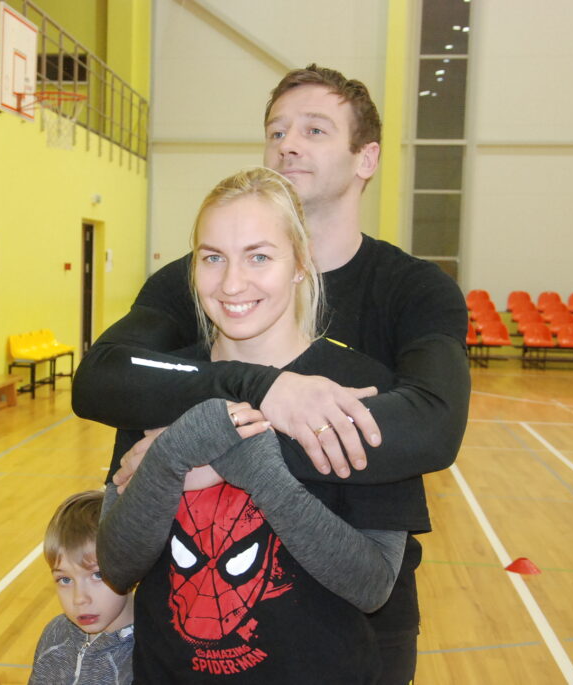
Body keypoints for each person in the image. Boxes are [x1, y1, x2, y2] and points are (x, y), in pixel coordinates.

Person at [73, 65, 471, 684]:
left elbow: (432, 426)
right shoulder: (194, 285)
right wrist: (265, 391)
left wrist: (216, 449)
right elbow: (105, 375)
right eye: (276, 131)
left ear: (366, 158)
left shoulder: (413, 290)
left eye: (315, 130)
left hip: (356, 627)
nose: (288, 145)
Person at [98, 167, 424, 683]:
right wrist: (173, 455)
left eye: (259, 257)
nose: (232, 283)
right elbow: (117, 565)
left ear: (301, 262)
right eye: (213, 258)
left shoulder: (362, 387)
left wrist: (252, 464)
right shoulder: (164, 384)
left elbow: (373, 585)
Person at [29, 490, 135, 685]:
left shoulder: (150, 656)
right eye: (65, 580)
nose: (79, 599)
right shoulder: (55, 634)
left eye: (98, 575)